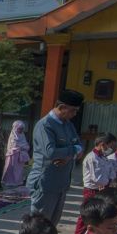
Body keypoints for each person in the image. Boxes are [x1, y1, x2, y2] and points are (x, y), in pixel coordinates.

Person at [27, 90, 85, 226]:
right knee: (39, 226)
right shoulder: (45, 125)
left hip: (61, 183)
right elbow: (51, 152)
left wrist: (69, 155)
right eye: (73, 110)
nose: (75, 114)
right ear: (62, 107)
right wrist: (73, 151)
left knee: (51, 226)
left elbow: (79, 146)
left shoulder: (68, 124)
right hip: (46, 183)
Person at [70, 134, 115, 234]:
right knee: (86, 216)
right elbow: (97, 178)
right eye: (110, 145)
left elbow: (110, 172)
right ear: (102, 144)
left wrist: (109, 181)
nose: (111, 149)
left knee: (97, 216)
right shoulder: (92, 158)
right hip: (92, 190)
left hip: (102, 188)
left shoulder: (103, 157)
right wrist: (107, 182)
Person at [2, 121, 30, 188]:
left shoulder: (22, 135)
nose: (21, 130)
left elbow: (26, 146)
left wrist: (21, 147)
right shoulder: (13, 136)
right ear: (15, 128)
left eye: (22, 129)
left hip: (20, 157)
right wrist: (21, 147)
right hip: (13, 156)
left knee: (19, 170)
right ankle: (9, 182)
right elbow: (14, 145)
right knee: (11, 169)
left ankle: (17, 182)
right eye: (19, 128)